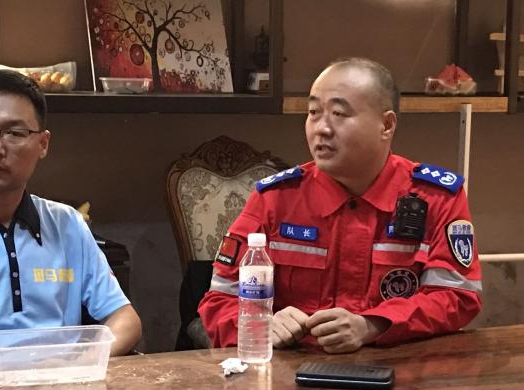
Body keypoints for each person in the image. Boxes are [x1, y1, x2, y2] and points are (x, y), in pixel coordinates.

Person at [198, 57, 482, 353]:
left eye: (338, 114)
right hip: (292, 371)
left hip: (395, 368)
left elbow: (457, 296)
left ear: (386, 125)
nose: (321, 128)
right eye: (313, 112)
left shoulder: (436, 198)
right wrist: (261, 324)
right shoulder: (275, 198)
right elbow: (219, 301)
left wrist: (373, 325)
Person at [0, 69, 141, 363]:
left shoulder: (66, 224)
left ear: (42, 144)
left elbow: (125, 319)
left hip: (62, 381)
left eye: (14, 133)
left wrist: (81, 364)